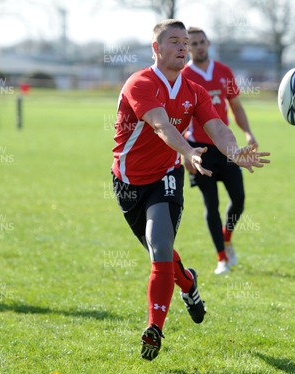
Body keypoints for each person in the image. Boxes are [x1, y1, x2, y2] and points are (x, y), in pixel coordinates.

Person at [111, 19, 270, 361]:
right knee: (164, 257)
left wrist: (233, 152)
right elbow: (160, 124)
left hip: (166, 177)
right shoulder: (140, 83)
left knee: (161, 248)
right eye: (174, 41)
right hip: (127, 182)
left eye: (186, 41)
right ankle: (190, 285)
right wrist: (187, 151)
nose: (183, 47)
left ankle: (155, 327)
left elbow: (216, 126)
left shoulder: (194, 90)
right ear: (156, 48)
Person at [181, 27, 257, 275]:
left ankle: (227, 237)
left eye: (202, 42)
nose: (199, 46)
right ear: (187, 47)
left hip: (227, 147)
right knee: (210, 204)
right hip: (199, 149)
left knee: (239, 200)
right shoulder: (183, 75)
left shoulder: (224, 72)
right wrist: (183, 149)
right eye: (194, 43)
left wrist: (248, 133)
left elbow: (235, 106)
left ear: (208, 43)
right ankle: (222, 257)